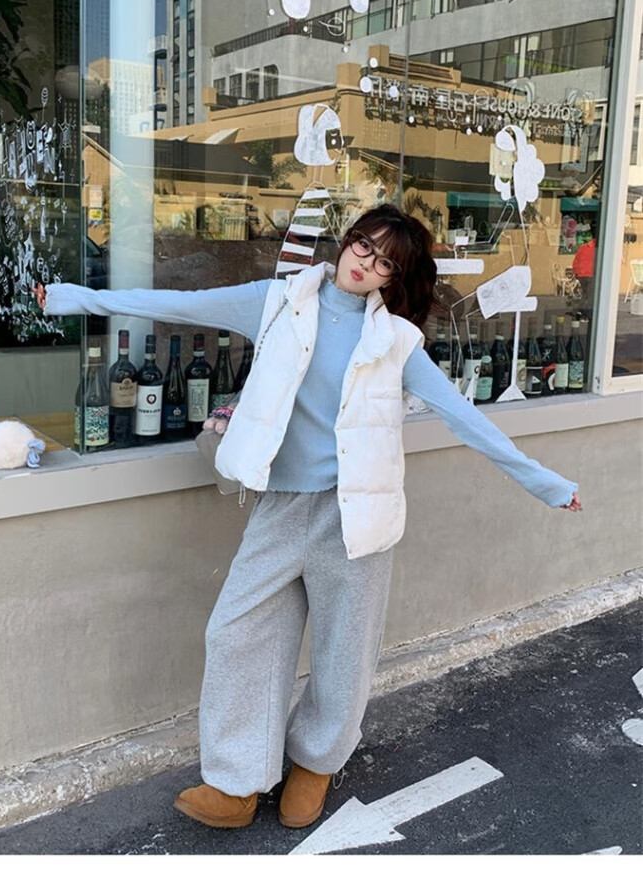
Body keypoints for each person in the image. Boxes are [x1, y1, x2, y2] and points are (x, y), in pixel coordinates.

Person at [33, 204, 581, 832]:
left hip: (355, 517)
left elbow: (466, 418)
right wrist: (72, 298)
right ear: (346, 242)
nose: (365, 264)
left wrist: (546, 484)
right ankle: (237, 782)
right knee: (238, 635)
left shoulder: (396, 342)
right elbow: (176, 304)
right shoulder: (275, 302)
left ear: (394, 278)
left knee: (345, 652)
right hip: (281, 508)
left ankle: (315, 765)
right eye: (363, 246)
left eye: (384, 262)